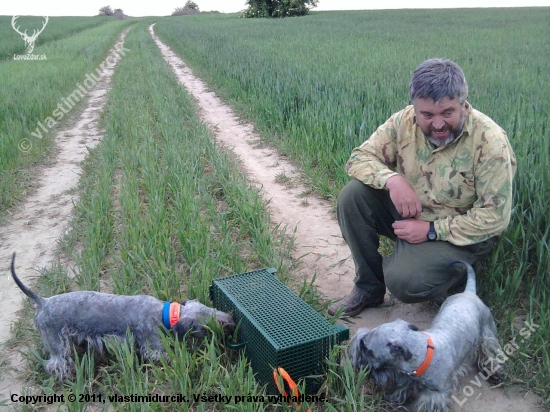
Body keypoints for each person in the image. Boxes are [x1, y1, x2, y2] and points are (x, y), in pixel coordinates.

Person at [328, 58, 516, 317]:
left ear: (463, 104)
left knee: (404, 283)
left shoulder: (490, 141)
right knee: (353, 196)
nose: (438, 125)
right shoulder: (403, 122)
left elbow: (495, 218)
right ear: (415, 107)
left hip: (460, 232)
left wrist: (429, 231)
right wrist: (392, 180)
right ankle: (369, 288)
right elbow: (359, 158)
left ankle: (455, 276)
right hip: (414, 213)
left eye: (448, 113)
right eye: (427, 115)